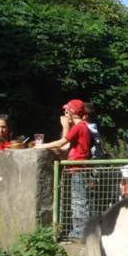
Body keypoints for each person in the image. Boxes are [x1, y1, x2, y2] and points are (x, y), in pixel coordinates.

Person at [36, 99, 91, 239]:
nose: (65, 114)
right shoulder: (83, 127)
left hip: (78, 169)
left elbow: (62, 142)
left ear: (72, 112)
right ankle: (80, 231)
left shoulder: (79, 127)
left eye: (67, 111)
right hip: (78, 169)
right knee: (78, 200)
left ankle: (81, 232)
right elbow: (65, 147)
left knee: (79, 201)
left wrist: (40, 146)